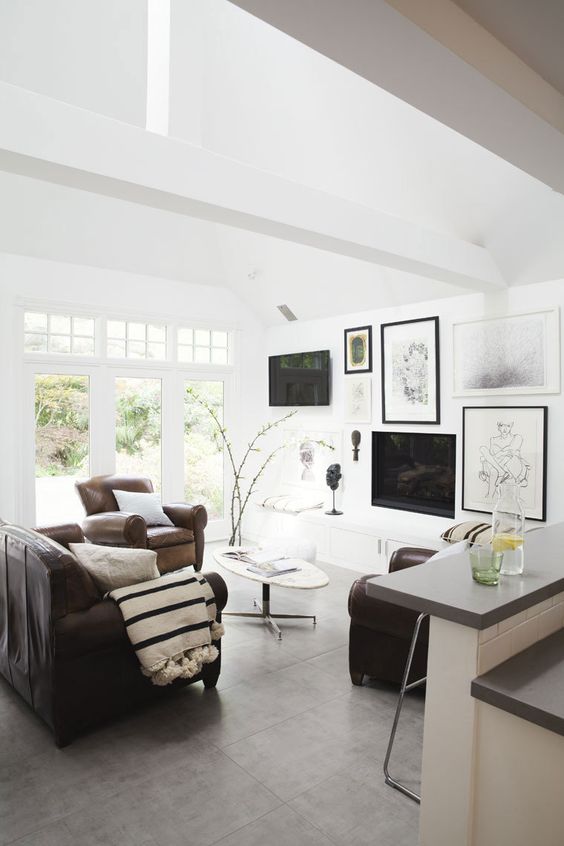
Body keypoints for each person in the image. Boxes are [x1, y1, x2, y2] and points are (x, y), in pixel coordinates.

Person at [479, 421, 530, 498]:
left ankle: (490, 495)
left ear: (511, 426)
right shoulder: (493, 440)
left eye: (508, 426)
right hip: (498, 464)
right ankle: (500, 472)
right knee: (483, 449)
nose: (505, 429)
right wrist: (501, 454)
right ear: (498, 427)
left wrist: (495, 456)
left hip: (512, 466)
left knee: (506, 458)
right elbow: (493, 455)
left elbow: (511, 451)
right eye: (502, 425)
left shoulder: (517, 437)